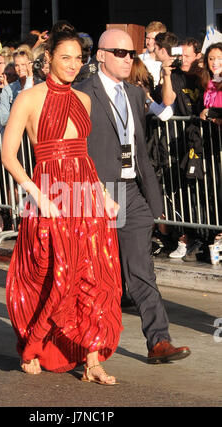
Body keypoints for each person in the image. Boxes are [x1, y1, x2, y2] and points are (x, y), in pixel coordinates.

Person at [1, 21, 122, 384]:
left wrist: (104, 195)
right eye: (65, 57)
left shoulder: (84, 99)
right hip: (49, 193)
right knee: (54, 273)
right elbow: (9, 156)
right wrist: (38, 196)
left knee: (97, 275)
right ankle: (34, 345)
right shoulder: (28, 98)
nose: (72, 64)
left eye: (78, 59)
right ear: (48, 58)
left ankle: (93, 359)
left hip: (86, 194)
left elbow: (85, 156)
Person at [77, 28, 191, 363]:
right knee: (92, 273)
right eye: (120, 53)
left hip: (130, 192)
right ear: (101, 55)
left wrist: (154, 199)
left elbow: (141, 149)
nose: (128, 59)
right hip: (95, 191)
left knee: (141, 270)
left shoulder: (134, 92)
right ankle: (85, 344)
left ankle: (159, 341)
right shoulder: (83, 93)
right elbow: (76, 148)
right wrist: (93, 188)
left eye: (132, 54)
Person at [159, 36, 204, 259]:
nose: (183, 60)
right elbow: (168, 101)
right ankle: (188, 237)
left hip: (207, 138)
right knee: (186, 190)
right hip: (183, 141)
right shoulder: (175, 75)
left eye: (188, 56)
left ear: (198, 55)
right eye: (181, 56)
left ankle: (208, 238)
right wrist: (166, 74)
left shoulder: (203, 74)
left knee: (209, 191)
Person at [199, 42, 222, 243]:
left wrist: (210, 113)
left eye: (219, 58)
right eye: (211, 58)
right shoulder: (207, 81)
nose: (215, 63)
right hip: (212, 142)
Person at [0, 46, 34, 127]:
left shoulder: (40, 85)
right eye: (17, 65)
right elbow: (2, 119)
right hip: (17, 136)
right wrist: (20, 118)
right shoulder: (8, 90)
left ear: (31, 64)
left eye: (23, 65)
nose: (20, 68)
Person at [139, 21, 167, 88]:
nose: (149, 42)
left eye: (153, 39)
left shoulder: (168, 60)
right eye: (147, 38)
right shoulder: (138, 60)